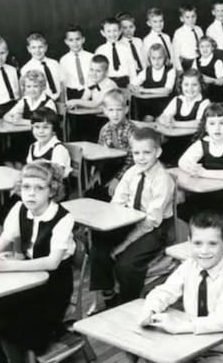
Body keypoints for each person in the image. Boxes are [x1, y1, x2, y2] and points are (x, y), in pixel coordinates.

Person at [0, 161, 75, 363]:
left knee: (12, 327)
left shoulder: (63, 218)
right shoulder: (19, 208)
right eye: (26, 187)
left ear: (52, 190)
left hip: (54, 285)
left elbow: (52, 262)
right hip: (27, 277)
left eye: (39, 188)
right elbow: (4, 239)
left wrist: (10, 266)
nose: (30, 194)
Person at [138, 212, 223, 363]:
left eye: (213, 244)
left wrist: (181, 326)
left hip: (219, 350)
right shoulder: (189, 265)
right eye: (198, 243)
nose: (204, 251)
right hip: (188, 342)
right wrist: (150, 310)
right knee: (149, 355)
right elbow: (164, 291)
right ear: (189, 242)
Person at [89, 127, 175, 311]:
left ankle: (126, 306)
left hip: (155, 228)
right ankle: (108, 293)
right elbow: (117, 202)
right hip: (129, 220)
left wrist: (123, 245)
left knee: (126, 264)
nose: (141, 157)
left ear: (158, 152)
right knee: (98, 244)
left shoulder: (162, 179)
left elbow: (151, 221)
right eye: (136, 153)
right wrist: (112, 226)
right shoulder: (131, 172)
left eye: (146, 152)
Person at [178, 103, 223, 217]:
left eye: (222, 123)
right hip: (207, 193)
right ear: (205, 127)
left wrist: (204, 173)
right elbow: (182, 161)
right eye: (212, 123)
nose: (217, 128)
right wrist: (193, 168)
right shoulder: (204, 142)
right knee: (185, 211)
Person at [157, 69, 210, 165]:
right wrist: (166, 120)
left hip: (193, 143)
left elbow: (199, 123)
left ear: (201, 86)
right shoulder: (178, 100)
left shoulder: (204, 102)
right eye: (186, 85)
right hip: (176, 141)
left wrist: (176, 124)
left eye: (194, 85)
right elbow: (162, 116)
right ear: (180, 85)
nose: (190, 89)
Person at [66, 55, 118, 142]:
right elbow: (85, 98)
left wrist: (74, 101)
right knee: (77, 123)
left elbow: (95, 103)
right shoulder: (91, 80)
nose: (94, 74)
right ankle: (77, 147)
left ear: (106, 72)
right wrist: (76, 104)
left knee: (91, 129)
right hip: (96, 114)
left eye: (98, 71)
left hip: (109, 118)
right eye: (91, 70)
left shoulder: (109, 85)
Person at [95, 89, 136, 199]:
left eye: (119, 110)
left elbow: (132, 160)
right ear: (104, 111)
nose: (115, 114)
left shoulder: (131, 131)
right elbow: (99, 153)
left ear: (126, 110)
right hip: (110, 169)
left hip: (128, 171)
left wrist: (117, 179)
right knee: (94, 193)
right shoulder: (105, 129)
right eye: (111, 110)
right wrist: (96, 173)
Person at [130, 43, 176, 120]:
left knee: (161, 121)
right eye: (153, 58)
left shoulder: (170, 71)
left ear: (164, 58)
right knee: (147, 120)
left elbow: (167, 90)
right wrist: (135, 88)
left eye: (160, 58)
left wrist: (145, 90)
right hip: (150, 105)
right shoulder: (147, 71)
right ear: (149, 59)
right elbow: (132, 84)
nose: (157, 61)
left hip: (165, 105)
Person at [25, 107, 71, 179]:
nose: (41, 131)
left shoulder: (58, 149)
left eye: (46, 127)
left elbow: (57, 175)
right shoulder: (33, 146)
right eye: (37, 127)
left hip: (54, 186)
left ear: (54, 130)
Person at [19, 32, 64, 100]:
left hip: (57, 99)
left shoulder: (54, 63)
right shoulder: (26, 69)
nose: (37, 50)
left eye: (40, 47)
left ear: (46, 47)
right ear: (29, 49)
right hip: (41, 103)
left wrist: (63, 102)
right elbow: (26, 92)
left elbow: (61, 84)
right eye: (33, 47)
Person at [95, 17, 136, 88]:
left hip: (125, 82)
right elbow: (98, 70)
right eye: (109, 31)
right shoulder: (100, 50)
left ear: (120, 31)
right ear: (103, 33)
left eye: (115, 30)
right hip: (108, 83)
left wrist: (133, 83)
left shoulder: (125, 48)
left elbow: (131, 67)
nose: (112, 34)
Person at [59, 24, 94, 99]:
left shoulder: (91, 57)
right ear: (66, 42)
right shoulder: (63, 60)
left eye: (78, 39)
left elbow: (94, 78)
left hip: (90, 92)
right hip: (72, 94)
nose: (75, 43)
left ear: (83, 39)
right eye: (71, 40)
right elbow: (63, 83)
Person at [192, 36, 223, 103]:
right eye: (202, 47)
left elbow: (221, 82)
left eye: (208, 46)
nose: (205, 49)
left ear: (212, 47)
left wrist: (210, 80)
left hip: (214, 95)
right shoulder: (196, 61)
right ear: (198, 48)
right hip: (200, 93)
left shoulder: (217, 62)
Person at [173, 5, 204, 71]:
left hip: (199, 60)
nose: (191, 19)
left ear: (196, 16)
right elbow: (175, 53)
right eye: (187, 17)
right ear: (181, 19)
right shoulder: (179, 32)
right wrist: (179, 69)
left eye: (193, 16)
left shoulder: (199, 30)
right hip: (186, 62)